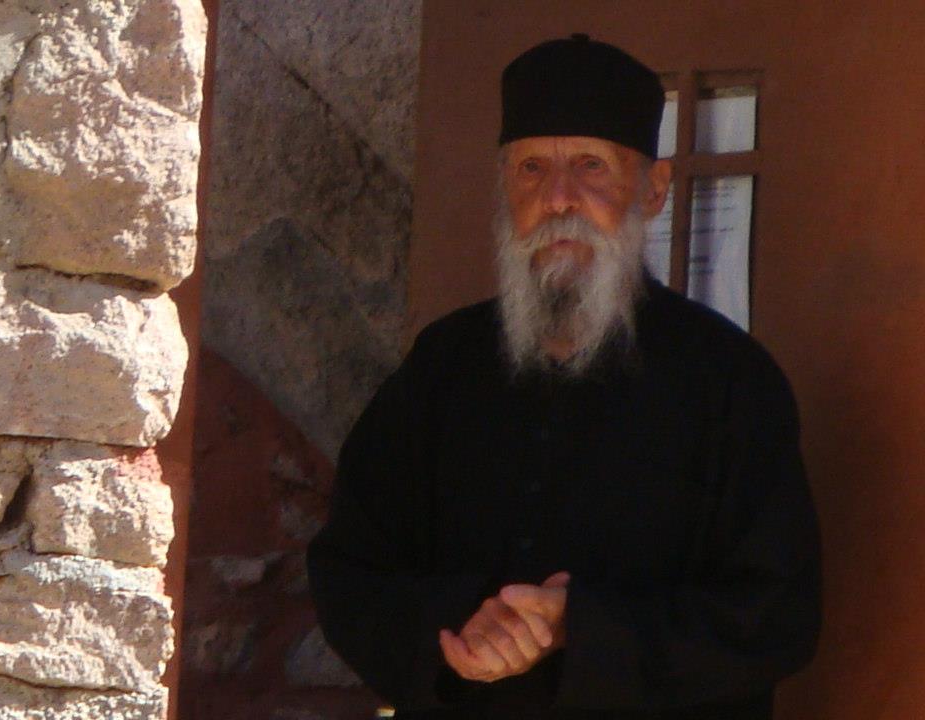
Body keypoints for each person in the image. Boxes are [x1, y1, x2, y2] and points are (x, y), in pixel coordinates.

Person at [307, 34, 821, 720]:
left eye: (590, 167)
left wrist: (581, 629)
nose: (558, 199)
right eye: (531, 169)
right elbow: (350, 570)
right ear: (505, 190)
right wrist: (466, 630)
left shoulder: (729, 381)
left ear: (653, 191)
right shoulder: (443, 366)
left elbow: (777, 614)